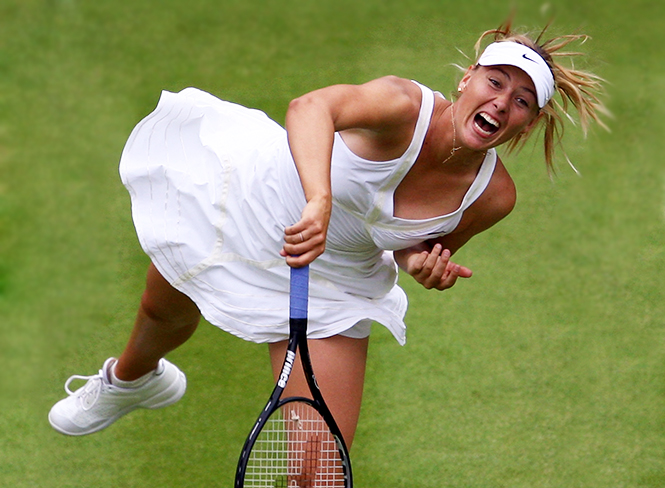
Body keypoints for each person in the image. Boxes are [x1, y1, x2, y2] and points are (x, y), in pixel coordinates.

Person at [48, 21, 607, 448]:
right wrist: (319, 198)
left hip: (335, 281)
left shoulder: (493, 197)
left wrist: (421, 266)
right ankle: (131, 380)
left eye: (521, 101)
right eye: (495, 82)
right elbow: (311, 107)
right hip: (252, 200)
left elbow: (414, 247)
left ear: (529, 122)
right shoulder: (401, 105)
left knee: (319, 470)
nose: (501, 102)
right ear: (468, 79)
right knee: (163, 313)